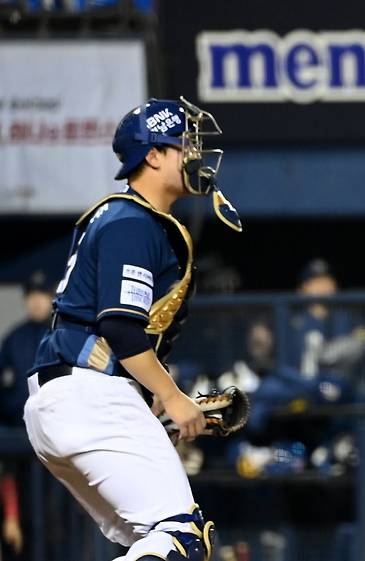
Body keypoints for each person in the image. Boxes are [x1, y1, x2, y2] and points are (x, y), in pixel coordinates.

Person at [22, 97, 242, 561]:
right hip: (90, 395)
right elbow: (121, 329)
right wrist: (175, 398)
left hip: (71, 396)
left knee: (156, 543)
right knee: (182, 536)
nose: (196, 155)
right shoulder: (132, 221)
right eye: (184, 144)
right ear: (154, 156)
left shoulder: (127, 218)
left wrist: (160, 400)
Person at [0, 271, 52, 426]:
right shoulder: (15, 336)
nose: (36, 301)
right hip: (19, 421)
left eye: (41, 295)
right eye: (31, 295)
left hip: (55, 419)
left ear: (52, 297)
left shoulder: (65, 333)